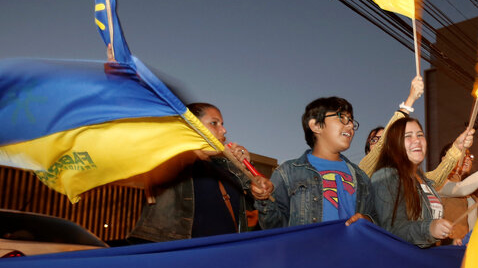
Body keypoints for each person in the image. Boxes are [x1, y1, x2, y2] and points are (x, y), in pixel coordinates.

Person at [129, 103, 272, 242]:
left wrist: (246, 169)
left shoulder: (225, 169)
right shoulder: (171, 162)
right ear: (192, 127)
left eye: (222, 124)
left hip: (224, 256)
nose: (223, 130)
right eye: (214, 123)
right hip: (181, 257)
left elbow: (257, 208)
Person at [371, 117, 478, 247]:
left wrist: (448, 241)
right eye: (408, 136)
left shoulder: (423, 180)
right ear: (394, 144)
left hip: (437, 257)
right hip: (405, 264)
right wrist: (430, 229)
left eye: (420, 135)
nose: (416, 140)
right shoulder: (386, 176)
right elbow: (392, 229)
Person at [254, 97, 374, 228]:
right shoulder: (287, 173)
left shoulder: (361, 177)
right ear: (316, 125)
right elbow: (273, 227)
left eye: (351, 120)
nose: (350, 125)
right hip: (306, 248)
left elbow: (375, 217)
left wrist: (368, 220)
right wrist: (264, 200)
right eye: (342, 117)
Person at [360, 75, 475, 187]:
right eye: (374, 140)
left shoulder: (411, 177)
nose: (416, 140)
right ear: (367, 149)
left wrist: (456, 148)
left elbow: (434, 180)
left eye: (420, 135)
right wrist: (410, 100)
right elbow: (382, 145)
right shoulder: (363, 170)